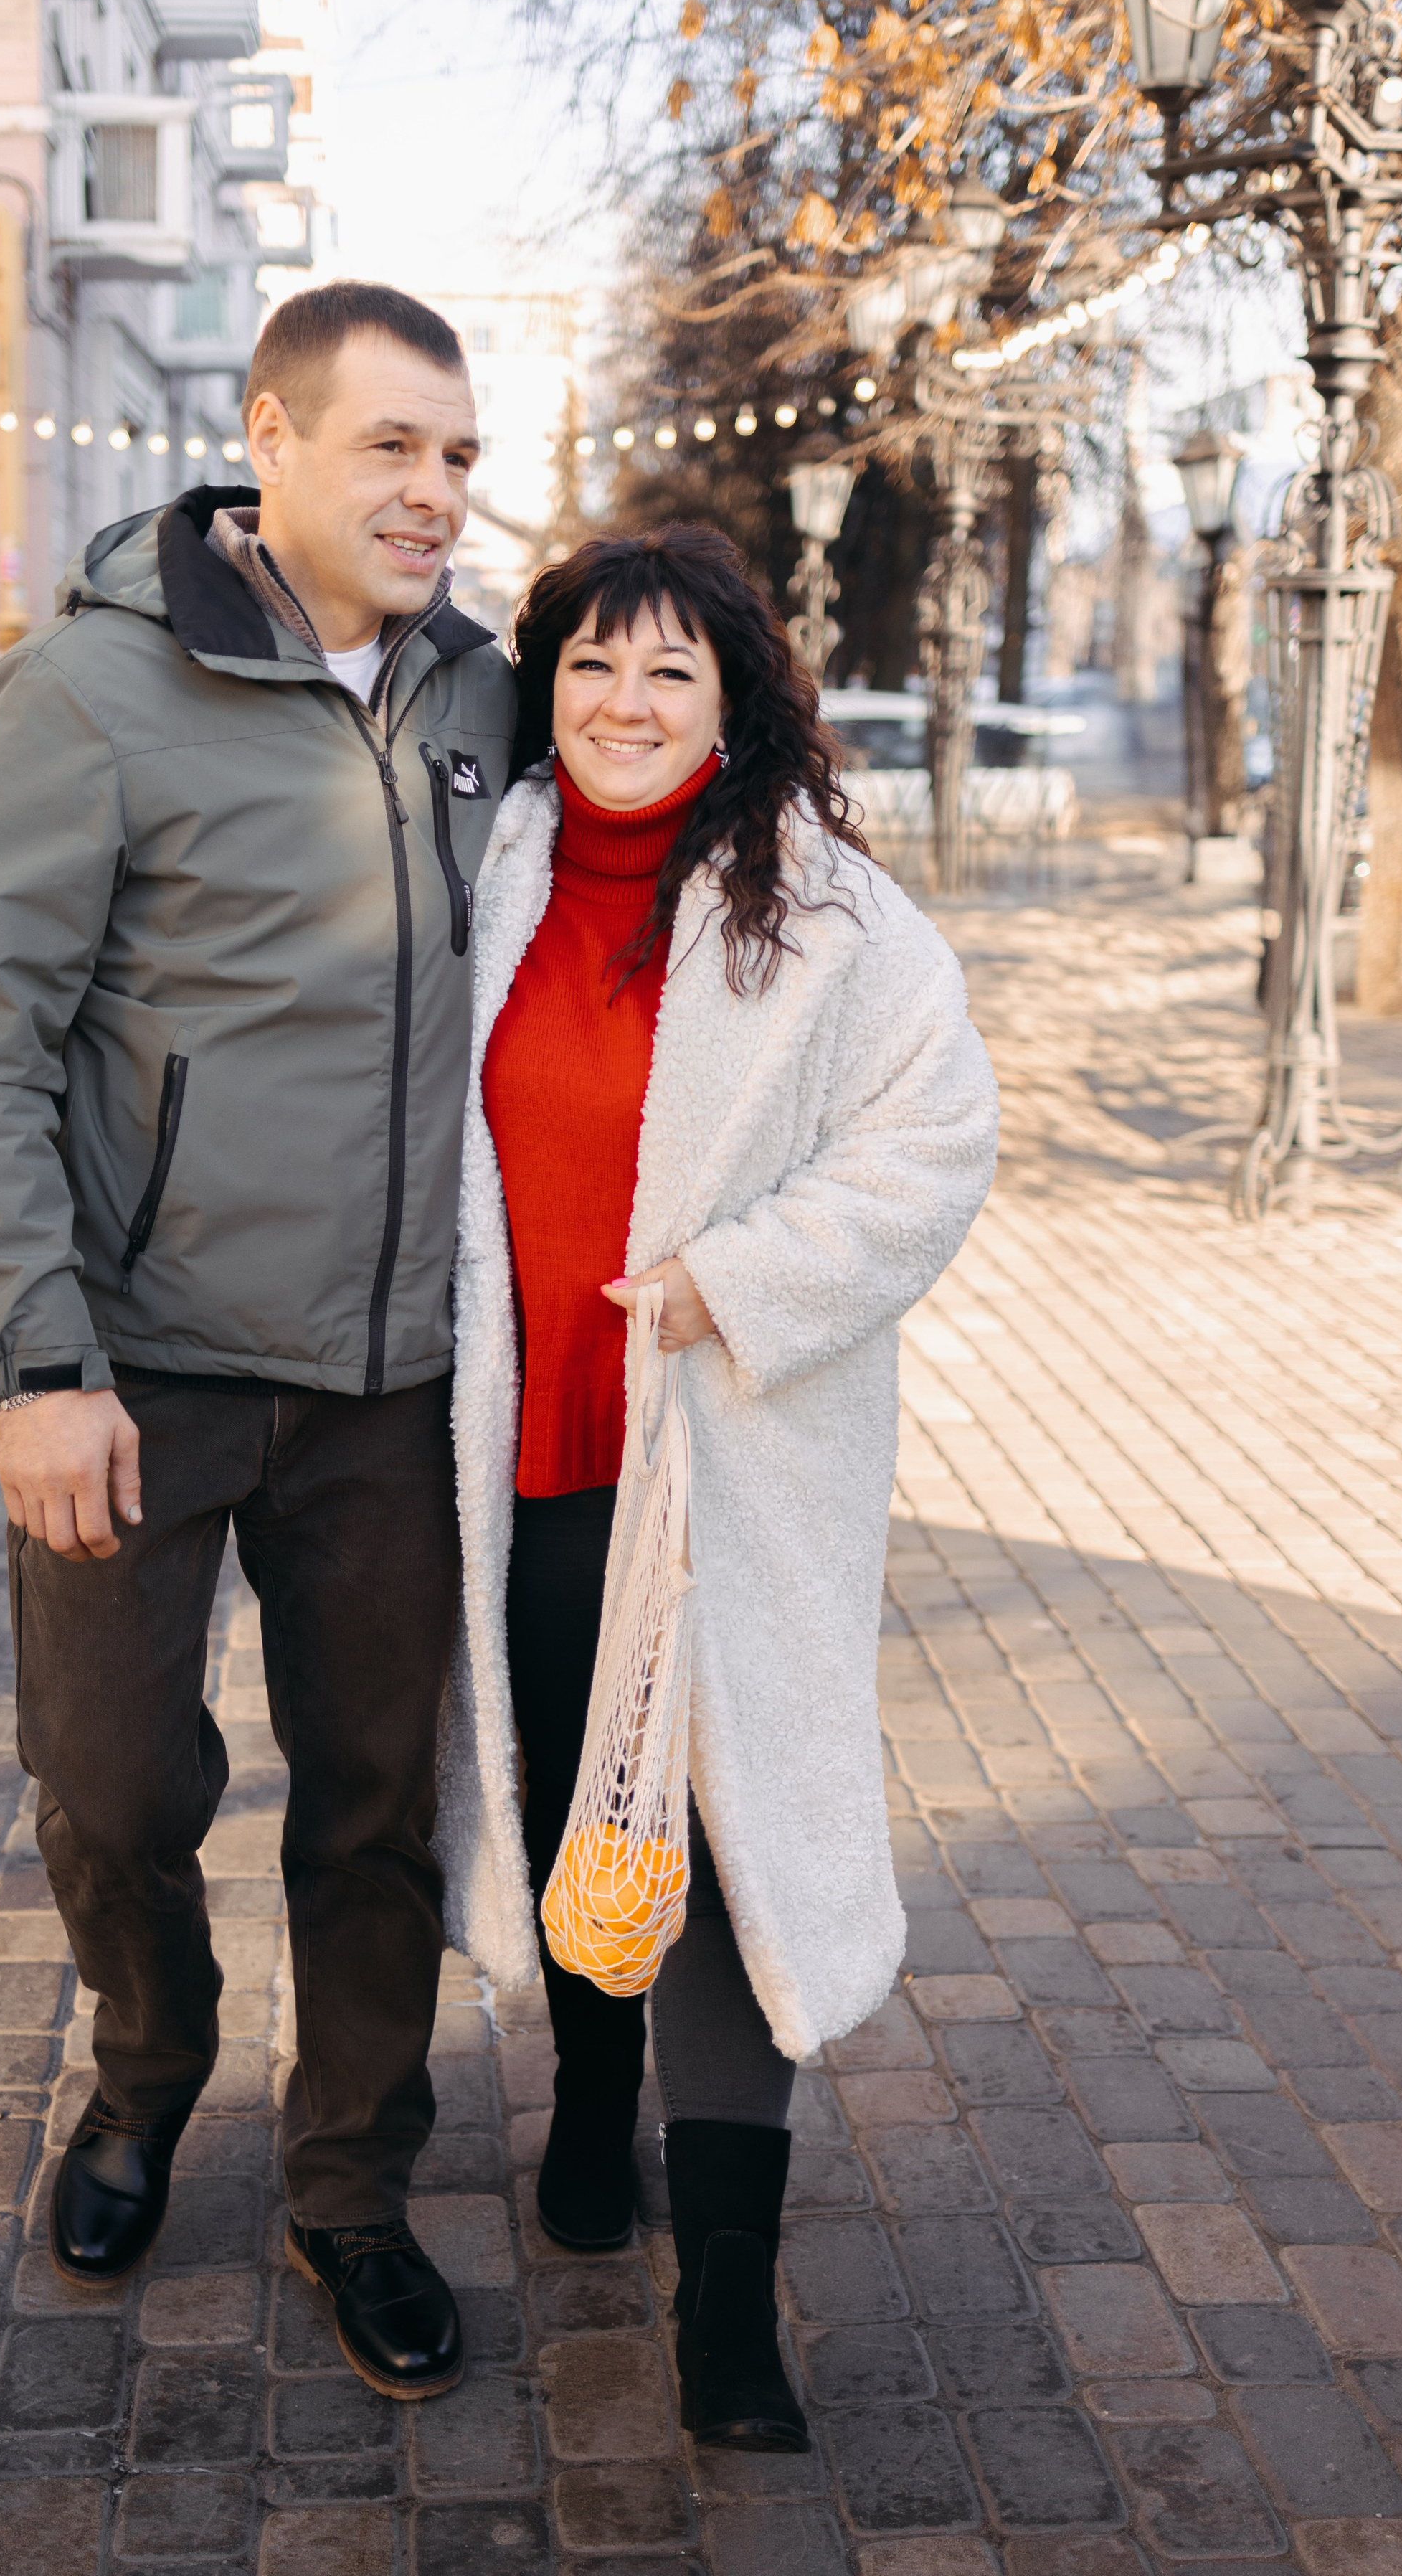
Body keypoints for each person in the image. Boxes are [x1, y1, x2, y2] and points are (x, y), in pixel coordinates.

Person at [0, 281, 517, 2402]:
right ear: (271, 438)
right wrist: (38, 1366)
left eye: (459, 454)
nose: (433, 492)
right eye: (391, 445)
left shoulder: (481, 695)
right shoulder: (98, 689)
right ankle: (147, 2071)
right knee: (111, 1787)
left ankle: (352, 2186)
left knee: (375, 1807)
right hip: (134, 1373)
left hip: (394, 1387)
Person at [434, 524, 998, 2449]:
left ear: (733, 701)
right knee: (571, 1800)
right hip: (522, 1446)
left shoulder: (825, 908)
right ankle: (594, 2109)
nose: (627, 701)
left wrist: (734, 1280)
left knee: (720, 1827)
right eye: (593, 663)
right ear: (547, 687)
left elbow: (934, 1145)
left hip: (733, 1456)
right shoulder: (489, 870)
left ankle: (730, 2307)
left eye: (671, 669)